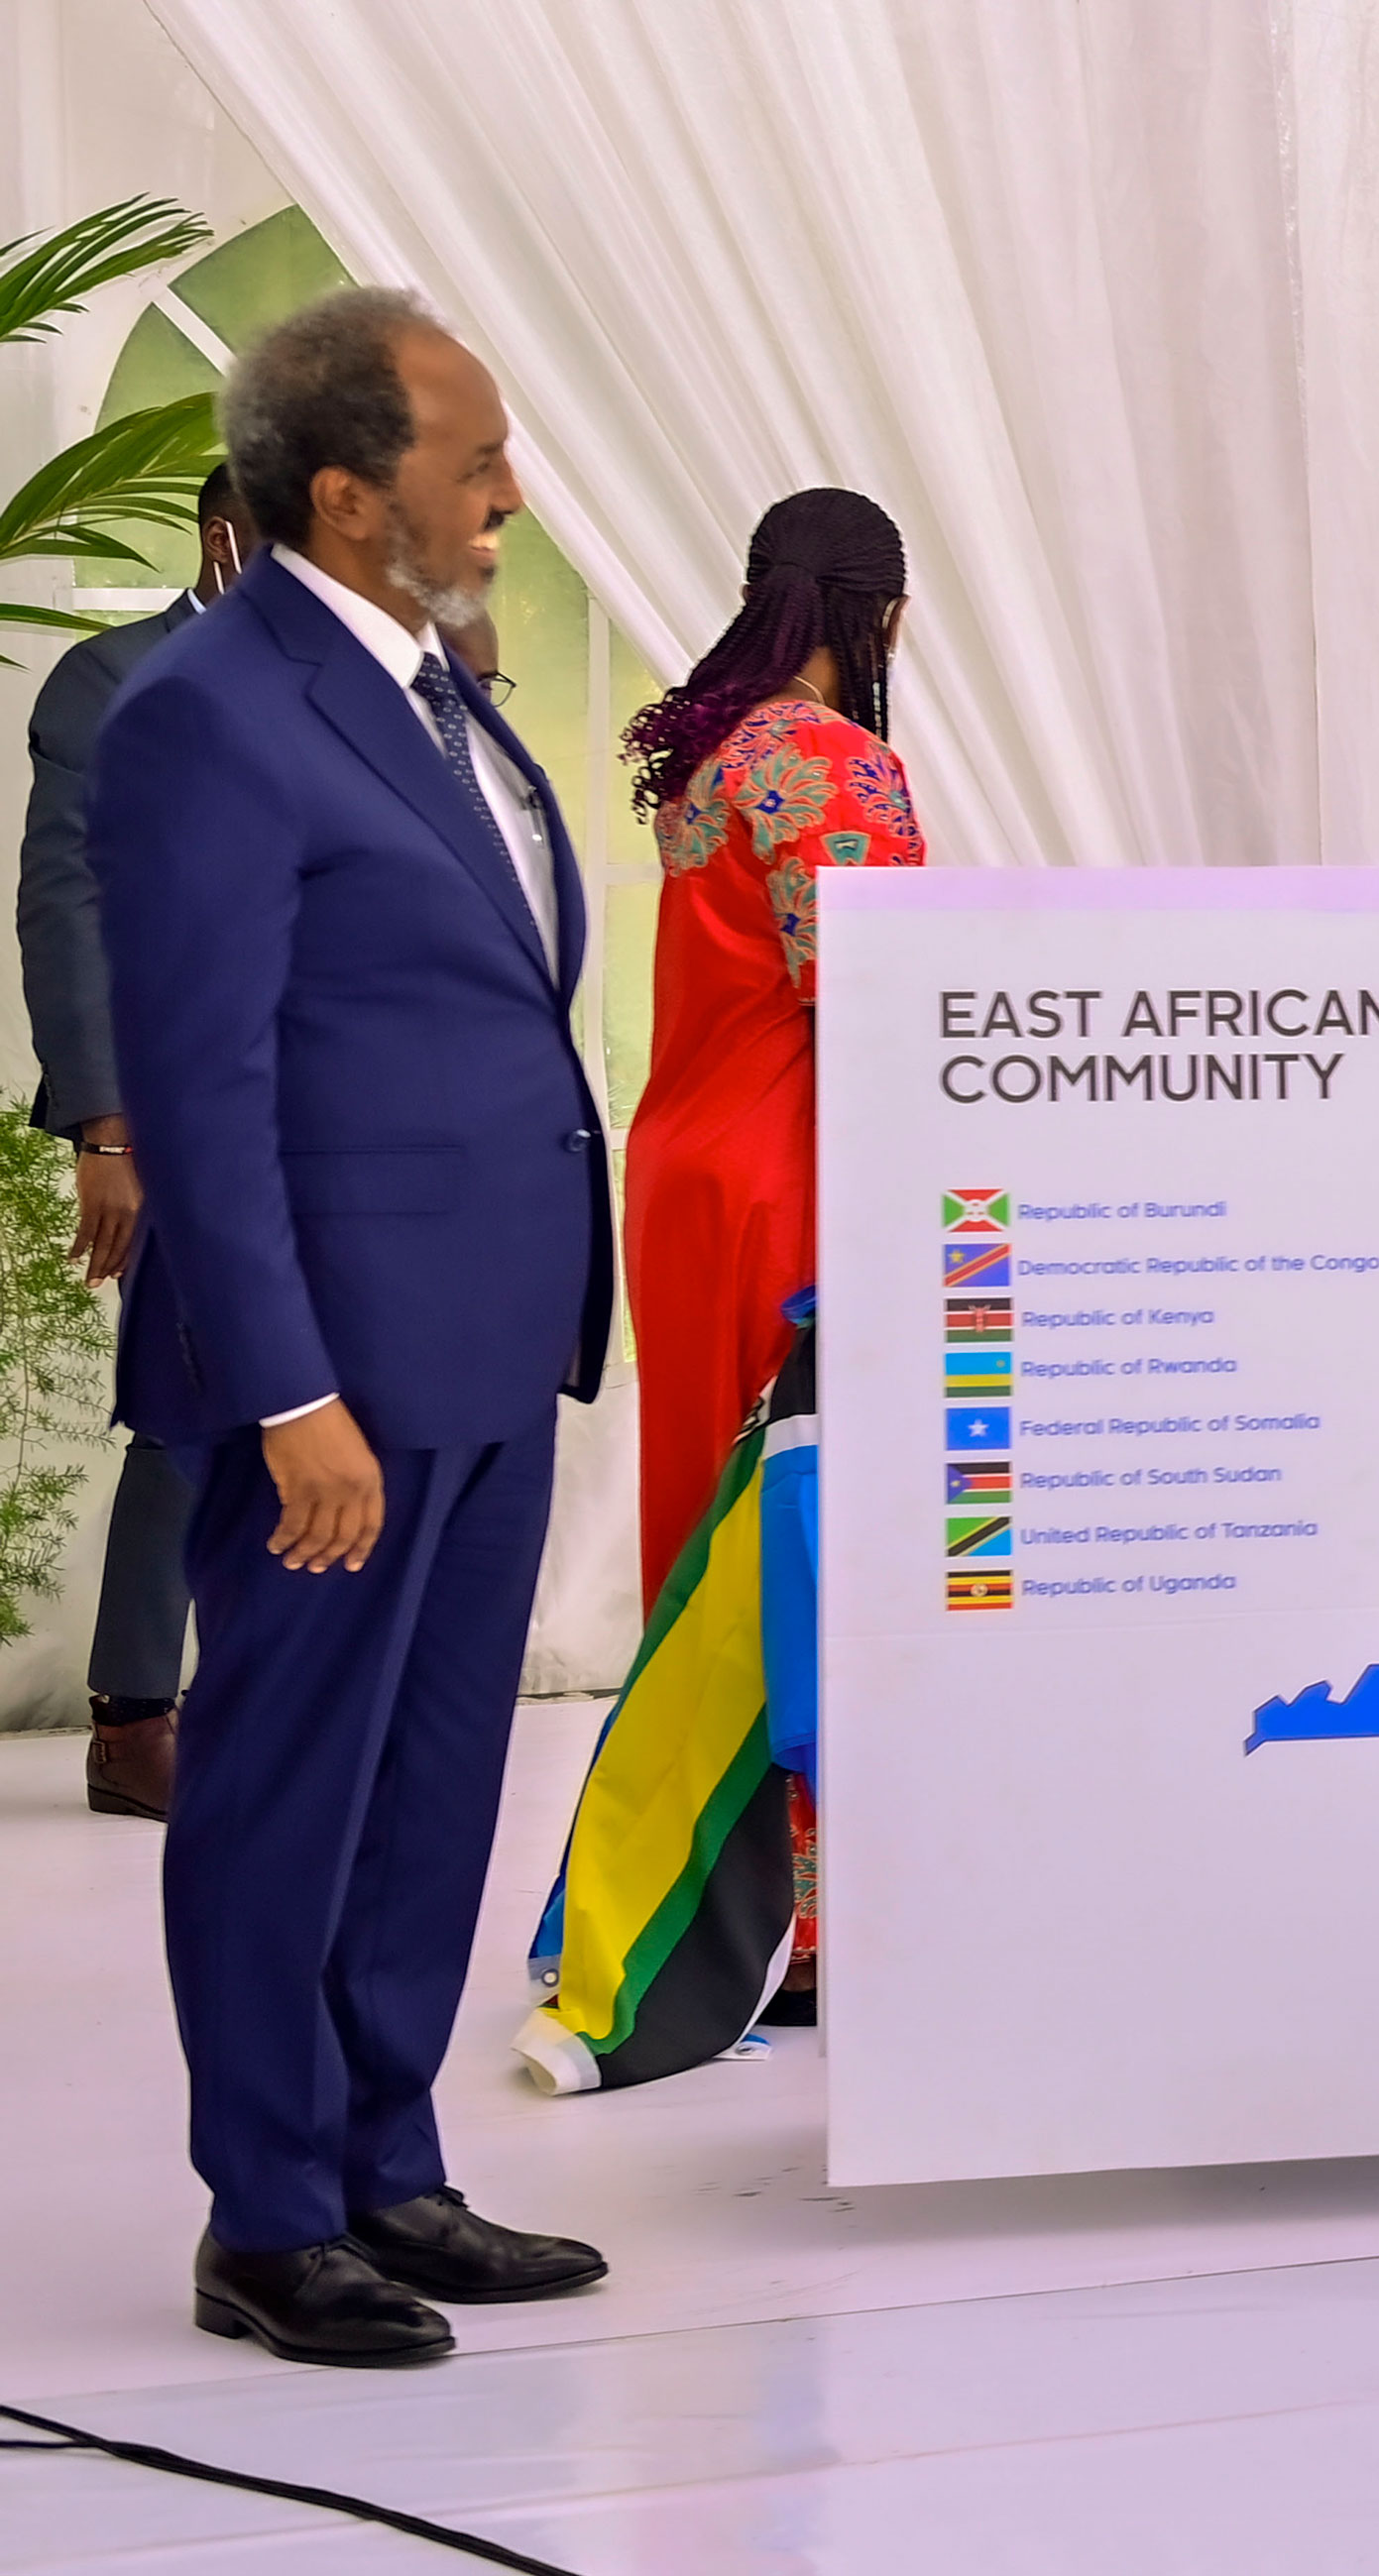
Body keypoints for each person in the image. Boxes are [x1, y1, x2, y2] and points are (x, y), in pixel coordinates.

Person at [89, 285, 613, 2365]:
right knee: (285, 1788)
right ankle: (271, 2215)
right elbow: (201, 1086)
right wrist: (293, 1392)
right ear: (342, 488)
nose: (508, 491)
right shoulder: (208, 716)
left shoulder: (437, 691)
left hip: (483, 1346)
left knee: (432, 1784)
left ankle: (392, 2166)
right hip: (332, 1389)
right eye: (472, 458)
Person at [619, 487, 922, 1604]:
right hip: (786, 1177)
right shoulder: (837, 762)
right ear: (883, 617)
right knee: (794, 1496)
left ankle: (697, 1772)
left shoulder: (718, 751)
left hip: (684, 1169)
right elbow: (869, 998)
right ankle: (799, 1784)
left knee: (705, 1490)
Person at [16, 465, 265, 1819]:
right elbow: (67, 903)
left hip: (330, 1112)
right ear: (226, 536)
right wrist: (105, 1123)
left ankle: (268, 1694)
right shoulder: (111, 682)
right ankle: (130, 1714)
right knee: (185, 1402)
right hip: (175, 1112)